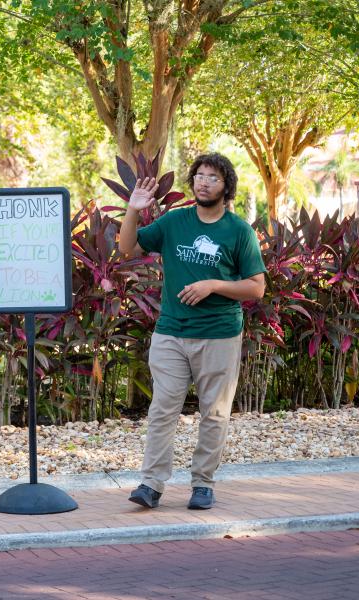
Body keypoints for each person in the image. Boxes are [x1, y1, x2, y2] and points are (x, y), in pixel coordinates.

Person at [119, 153, 266, 510]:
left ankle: (203, 484)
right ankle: (151, 484)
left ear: (226, 186)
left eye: (212, 177)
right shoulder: (174, 222)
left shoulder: (238, 231)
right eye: (199, 175)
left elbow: (256, 287)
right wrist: (133, 209)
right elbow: (126, 249)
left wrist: (214, 285)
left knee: (214, 413)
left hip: (218, 334)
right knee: (162, 408)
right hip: (171, 331)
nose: (203, 182)